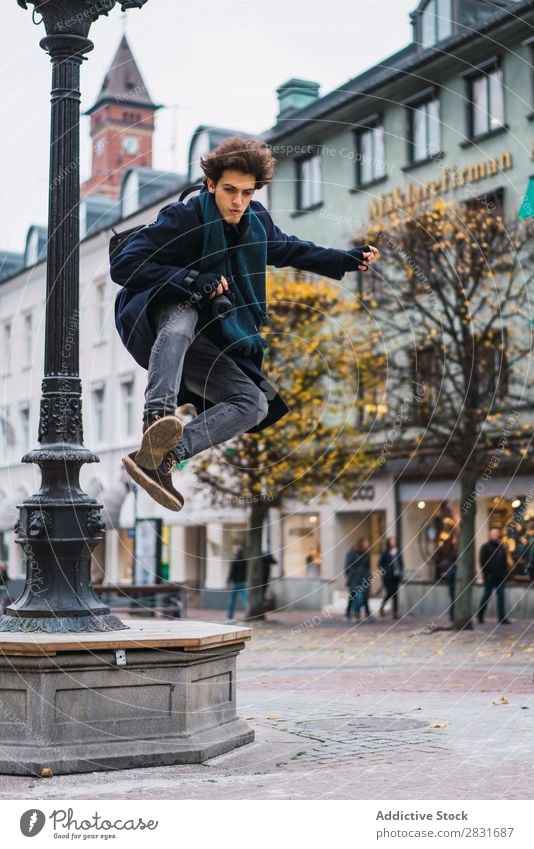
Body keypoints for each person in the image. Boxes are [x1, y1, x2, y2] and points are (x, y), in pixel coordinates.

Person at [110, 136, 379, 510]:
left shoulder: (256, 223)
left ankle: (163, 456)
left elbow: (291, 249)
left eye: (247, 193)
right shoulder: (183, 217)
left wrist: (343, 260)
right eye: (229, 191)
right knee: (181, 322)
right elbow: (124, 264)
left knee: (253, 403)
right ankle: (157, 417)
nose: (238, 202)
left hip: (210, 338)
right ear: (210, 185)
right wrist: (191, 279)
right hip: (161, 309)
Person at [477, 528, 511, 624]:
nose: (495, 535)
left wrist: (505, 574)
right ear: (490, 535)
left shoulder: (501, 547)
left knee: (501, 597)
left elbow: (504, 561)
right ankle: (480, 615)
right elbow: (482, 561)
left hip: (500, 577)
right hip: (490, 577)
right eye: (493, 534)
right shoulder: (485, 547)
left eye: (497, 533)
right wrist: (487, 574)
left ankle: (502, 618)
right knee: (486, 596)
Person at [345, 538, 372, 621]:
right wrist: (350, 575)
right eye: (366, 542)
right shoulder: (352, 553)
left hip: (364, 578)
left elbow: (368, 567)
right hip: (354, 579)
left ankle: (351, 613)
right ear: (361, 543)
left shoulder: (366, 554)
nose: (367, 544)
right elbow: (347, 566)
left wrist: (369, 576)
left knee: (361, 596)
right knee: (358, 596)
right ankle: (356, 613)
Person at [379, 536, 404, 619]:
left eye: (394, 541)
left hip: (396, 576)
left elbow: (401, 562)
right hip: (387, 577)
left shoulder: (398, 552)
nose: (393, 542)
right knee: (390, 592)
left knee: (395, 594)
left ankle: (395, 613)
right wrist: (387, 571)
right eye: (392, 541)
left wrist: (400, 570)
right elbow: (380, 564)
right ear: (389, 542)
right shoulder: (385, 553)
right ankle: (382, 607)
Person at [226, 545, 248, 620]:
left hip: (235, 583)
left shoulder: (233, 560)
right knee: (245, 599)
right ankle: (248, 613)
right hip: (243, 582)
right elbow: (246, 572)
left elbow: (231, 572)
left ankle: (230, 616)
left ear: (235, 552)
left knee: (231, 600)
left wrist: (227, 582)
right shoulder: (244, 560)